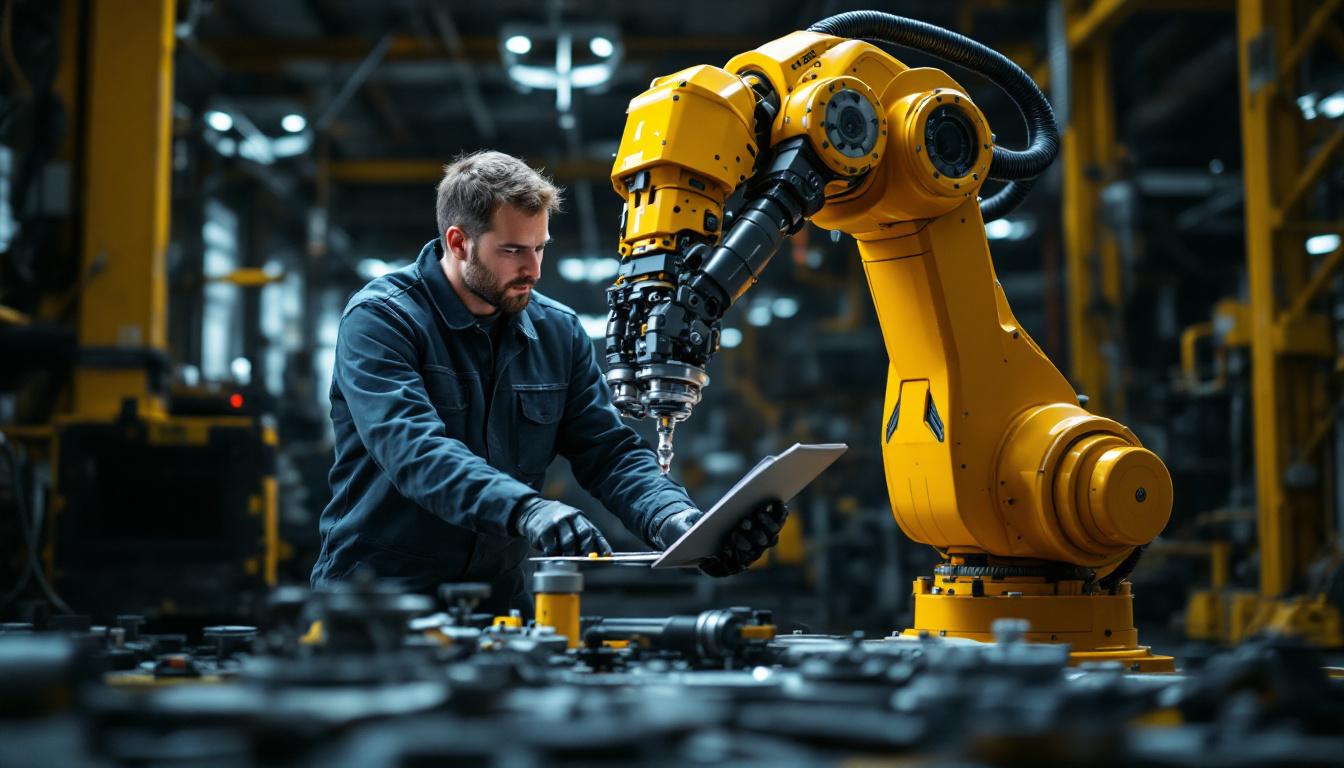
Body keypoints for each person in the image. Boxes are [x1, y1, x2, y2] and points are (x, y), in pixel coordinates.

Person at [310, 150, 787, 614]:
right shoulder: (383, 320)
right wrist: (528, 510)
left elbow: (609, 452)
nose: (534, 270)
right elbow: (412, 449)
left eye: (540, 248)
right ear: (458, 243)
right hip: (375, 602)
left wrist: (676, 522)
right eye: (513, 251)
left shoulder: (557, 332)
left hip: (495, 604)